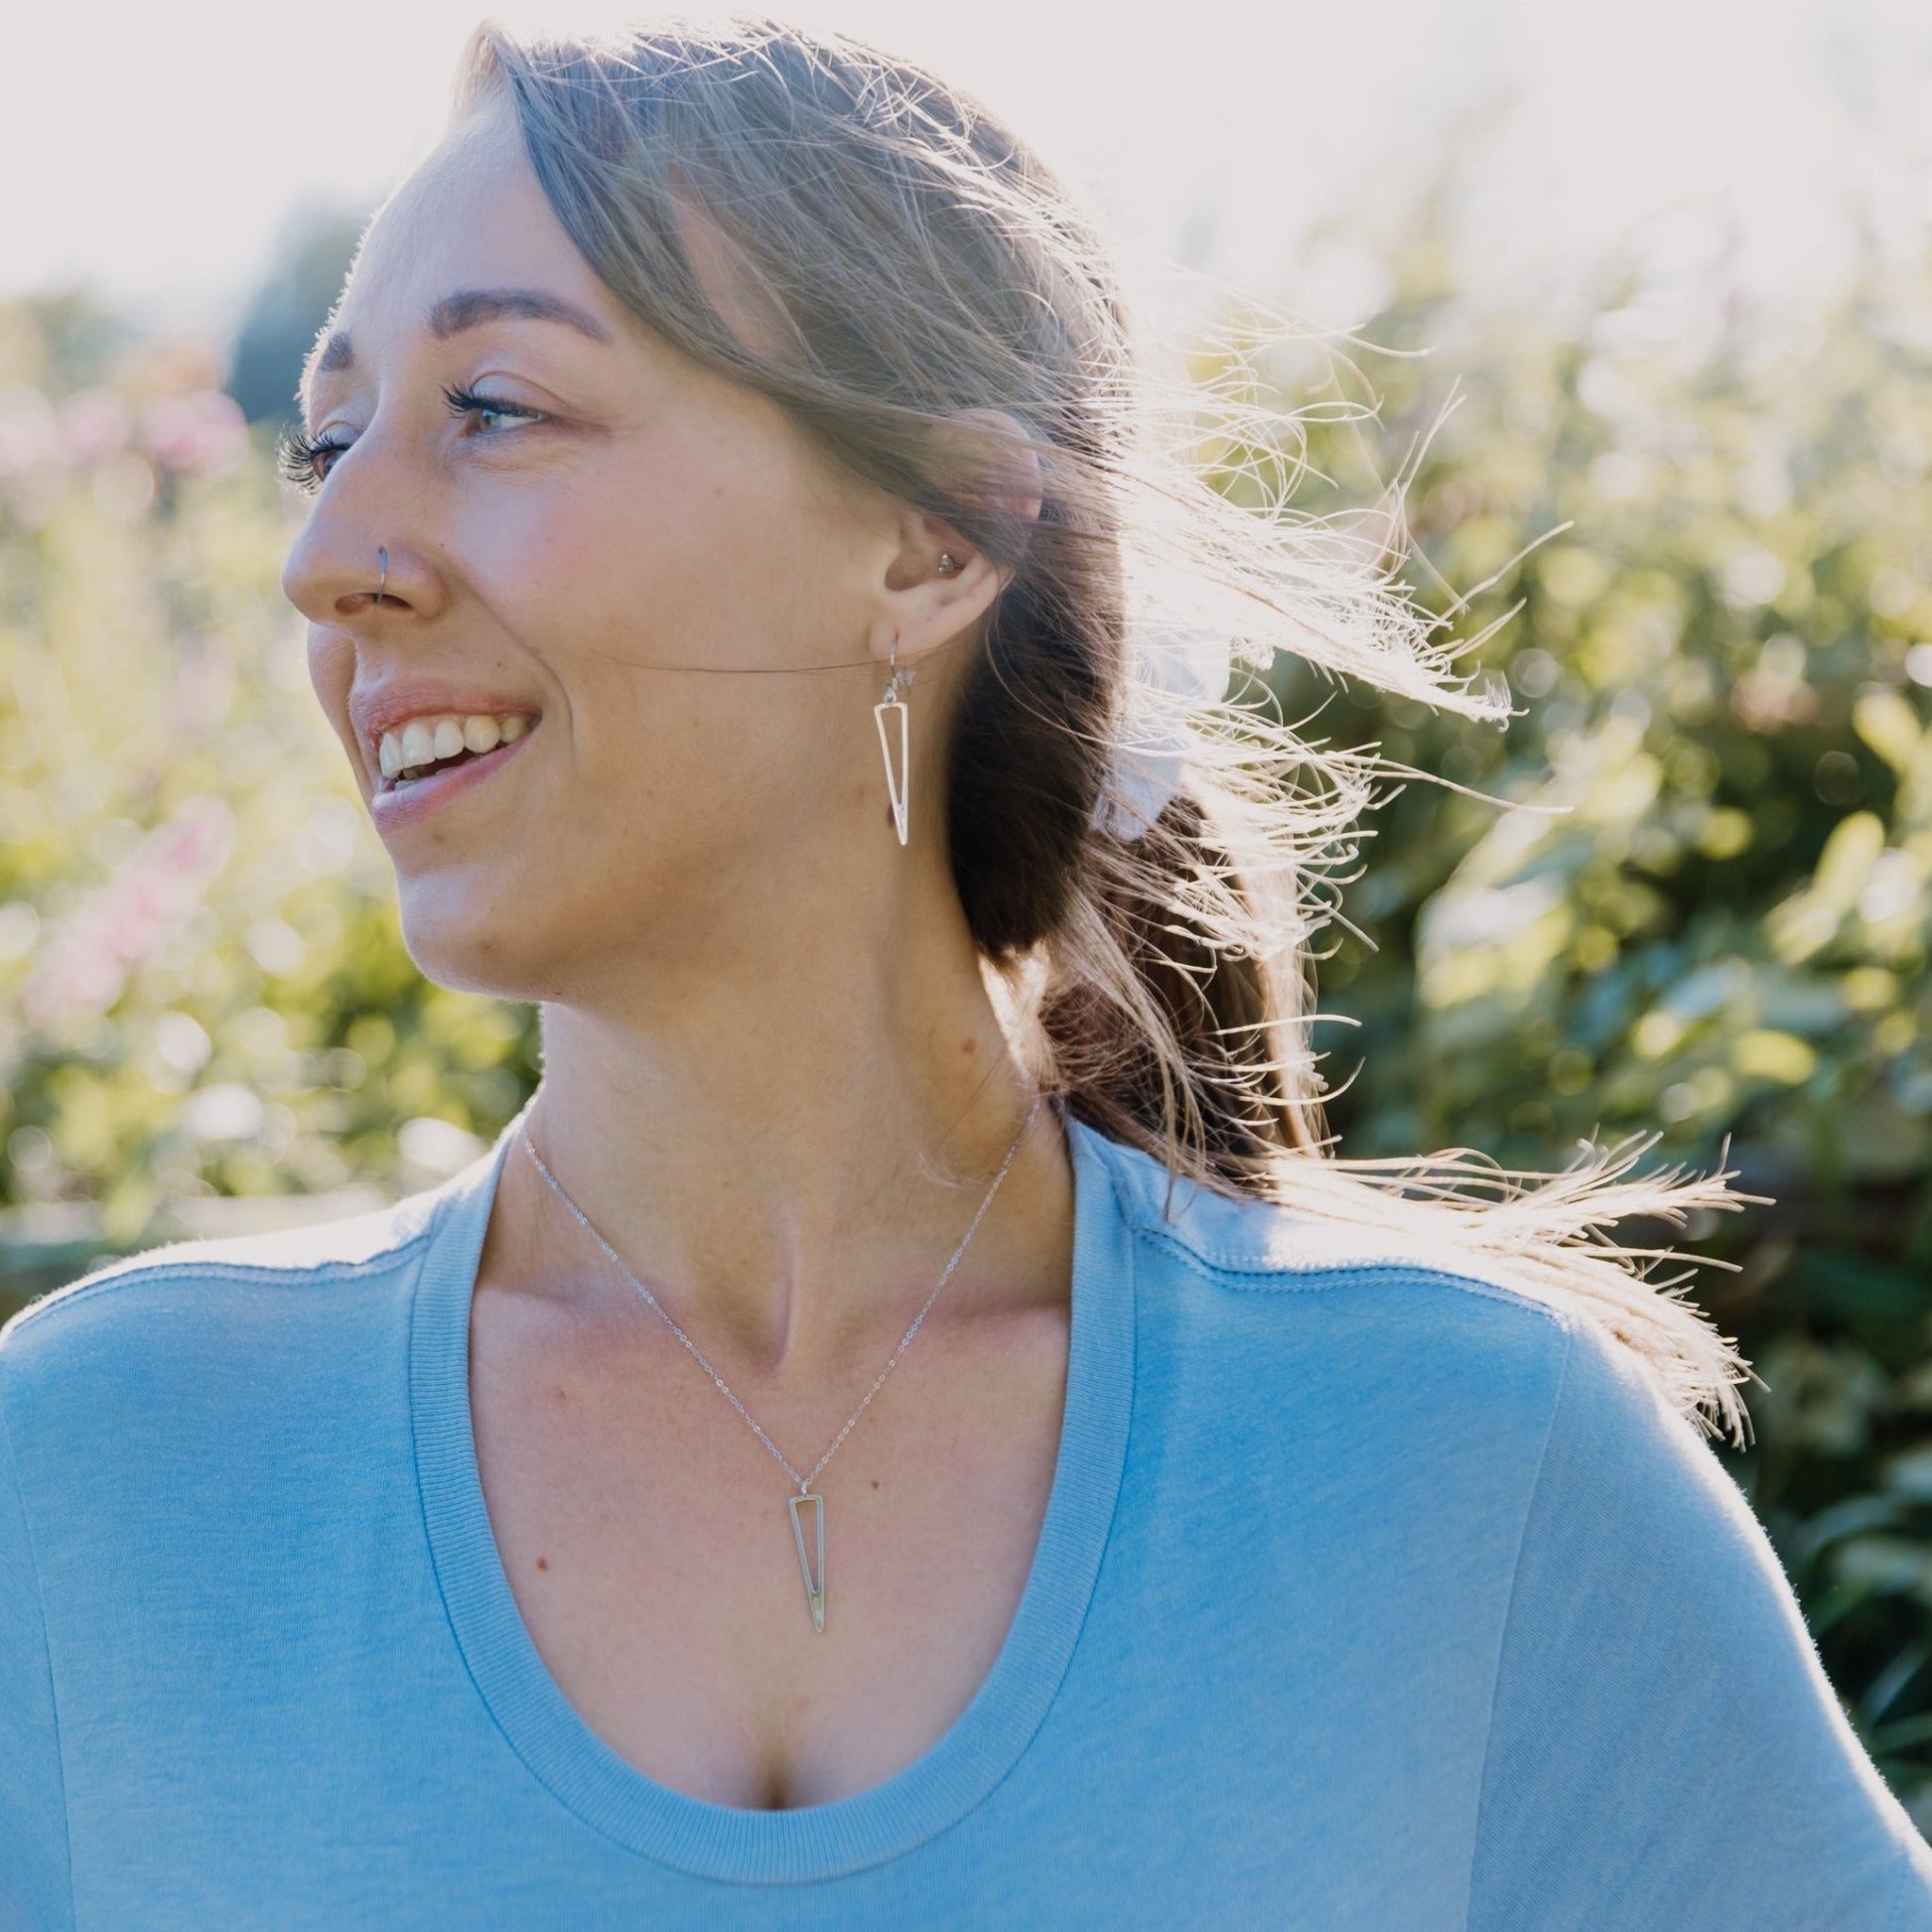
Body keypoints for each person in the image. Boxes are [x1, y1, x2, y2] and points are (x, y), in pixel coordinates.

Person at [3, 17, 1928, 1927]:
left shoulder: (1462, 1463)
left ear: (934, 540)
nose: (327, 555)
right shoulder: (100, 1478)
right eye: (323, 441)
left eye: (494, 407)